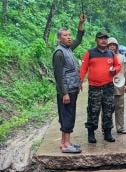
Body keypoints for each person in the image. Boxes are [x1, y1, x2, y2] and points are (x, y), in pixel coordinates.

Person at [52, 14, 85, 153]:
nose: (69, 37)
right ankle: (66, 146)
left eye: (69, 35)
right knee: (66, 115)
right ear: (60, 38)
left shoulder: (69, 49)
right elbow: (59, 76)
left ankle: (66, 142)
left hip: (72, 87)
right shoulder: (59, 53)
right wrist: (64, 93)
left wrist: (80, 24)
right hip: (66, 90)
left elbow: (79, 39)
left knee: (69, 114)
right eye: (65, 35)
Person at [80, 32, 121, 143]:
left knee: (108, 110)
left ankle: (107, 133)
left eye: (105, 39)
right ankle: (91, 133)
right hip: (94, 87)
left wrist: (115, 70)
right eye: (101, 38)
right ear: (96, 40)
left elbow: (118, 65)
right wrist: (80, 81)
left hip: (108, 87)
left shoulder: (111, 54)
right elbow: (83, 68)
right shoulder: (90, 53)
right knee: (93, 110)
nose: (103, 40)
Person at [107, 37, 126, 134]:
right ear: (107, 46)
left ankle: (120, 127)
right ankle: (106, 128)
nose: (112, 47)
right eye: (110, 45)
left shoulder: (122, 58)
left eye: (114, 45)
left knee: (120, 107)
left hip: (119, 86)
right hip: (107, 87)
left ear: (117, 46)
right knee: (107, 108)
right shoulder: (104, 57)